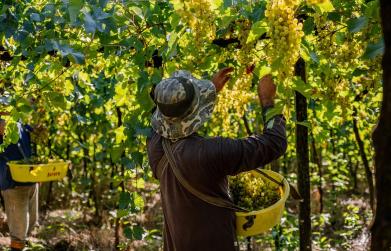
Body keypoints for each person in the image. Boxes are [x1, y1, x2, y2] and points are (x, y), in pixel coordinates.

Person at [146, 68, 287, 251]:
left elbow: (173, 111)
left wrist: (209, 89)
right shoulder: (210, 153)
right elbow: (274, 143)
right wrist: (268, 102)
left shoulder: (154, 143)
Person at [0, 115, 39, 251]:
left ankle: (22, 244)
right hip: (12, 181)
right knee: (18, 232)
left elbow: (27, 138)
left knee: (31, 223)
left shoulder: (19, 114)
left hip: (30, 178)